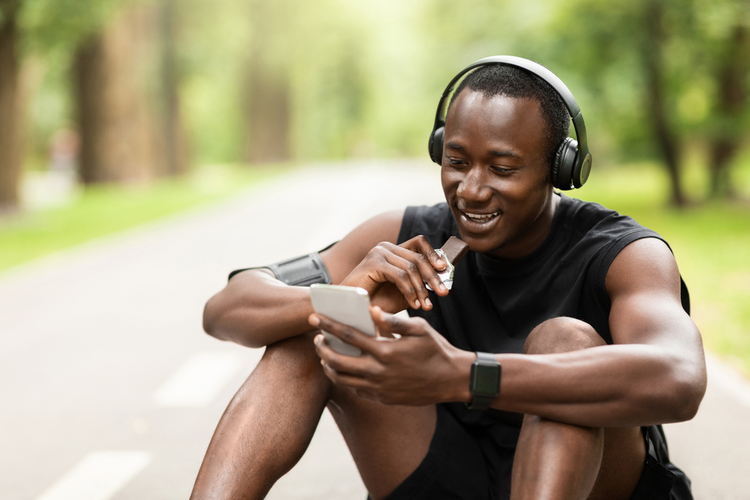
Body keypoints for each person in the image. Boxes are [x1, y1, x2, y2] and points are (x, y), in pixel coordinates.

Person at [190, 56, 706, 500]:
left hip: (592, 481)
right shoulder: (409, 235)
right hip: (448, 472)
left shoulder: (623, 253)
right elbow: (225, 309)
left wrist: (463, 374)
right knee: (315, 331)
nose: (472, 190)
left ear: (560, 169)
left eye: (502, 169)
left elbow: (679, 379)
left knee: (565, 340)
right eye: (457, 161)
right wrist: (343, 295)